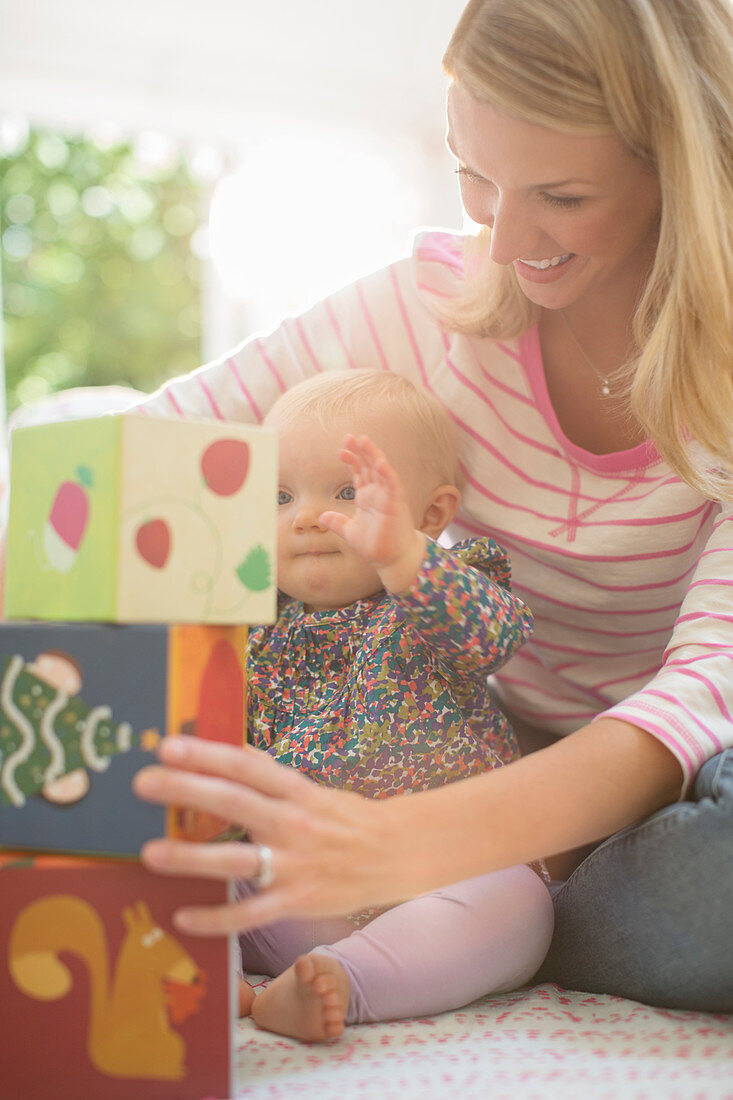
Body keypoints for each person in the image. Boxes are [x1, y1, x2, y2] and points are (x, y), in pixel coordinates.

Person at [133, 0, 733, 1013]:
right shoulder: (424, 303)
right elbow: (155, 444)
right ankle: (472, 923)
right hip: (457, 757)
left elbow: (698, 697)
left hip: (661, 792)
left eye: (560, 194)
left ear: (674, 165)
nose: (501, 237)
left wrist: (399, 844)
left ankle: (496, 913)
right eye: (473, 178)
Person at [230, 369, 551, 1041]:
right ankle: (215, 975)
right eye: (280, 495)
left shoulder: (434, 597)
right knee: (202, 869)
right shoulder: (251, 631)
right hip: (302, 888)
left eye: (347, 493)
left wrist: (404, 559)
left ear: (430, 516)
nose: (309, 516)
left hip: (437, 876)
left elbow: (497, 636)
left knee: (520, 904)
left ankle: (343, 981)